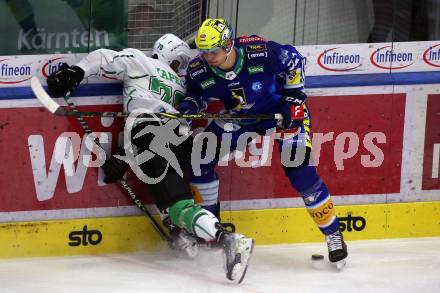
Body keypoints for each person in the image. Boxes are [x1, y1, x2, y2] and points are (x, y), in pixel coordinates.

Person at [45, 33, 254, 283]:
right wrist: (125, 157)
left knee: (178, 203)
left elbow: (102, 57)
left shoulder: (141, 61)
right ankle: (183, 233)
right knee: (173, 191)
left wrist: (75, 73)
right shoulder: (183, 88)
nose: (181, 67)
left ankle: (228, 239)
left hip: (152, 135)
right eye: (179, 62)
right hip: (179, 139)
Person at [178, 18, 348, 266]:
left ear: (228, 45)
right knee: (200, 159)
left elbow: (294, 60)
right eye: (204, 53)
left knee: (301, 173)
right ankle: (211, 233)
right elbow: (196, 96)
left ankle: (334, 235)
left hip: (281, 115)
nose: (209, 58)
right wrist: (189, 108)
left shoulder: (260, 52)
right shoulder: (198, 69)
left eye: (213, 52)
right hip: (240, 118)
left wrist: (294, 98)